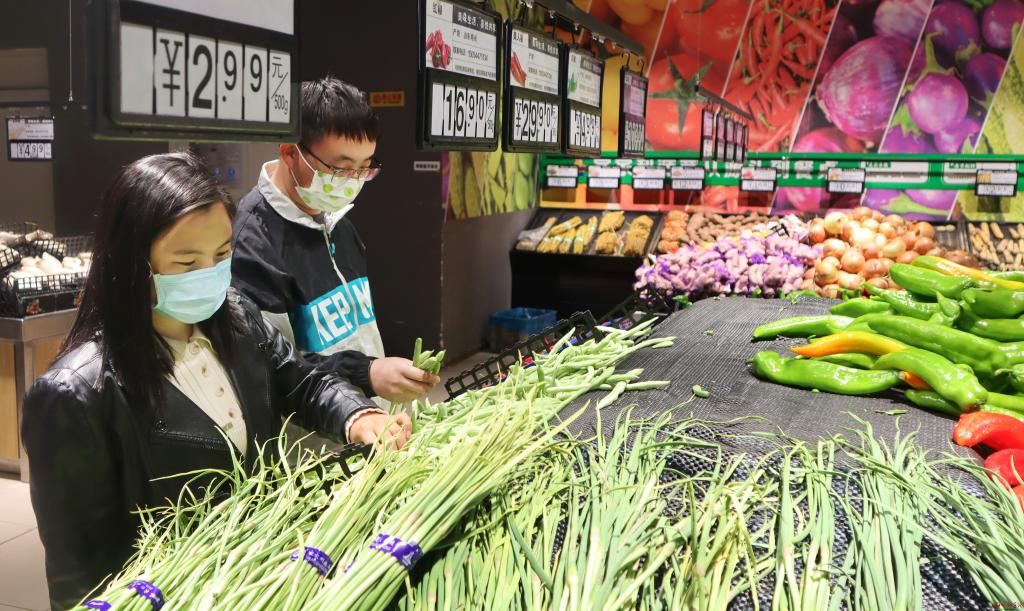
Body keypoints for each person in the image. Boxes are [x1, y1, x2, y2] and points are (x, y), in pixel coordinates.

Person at [21, 153, 412, 611]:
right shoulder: (75, 395)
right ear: (131, 264)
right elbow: (80, 578)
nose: (210, 274)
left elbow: (301, 380)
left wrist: (357, 416)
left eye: (222, 254)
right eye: (187, 262)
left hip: (262, 579)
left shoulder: (237, 316)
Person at [231, 76, 438, 408]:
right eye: (340, 169)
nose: (352, 182)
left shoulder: (335, 219)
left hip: (368, 418)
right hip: (310, 432)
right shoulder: (254, 242)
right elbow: (270, 364)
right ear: (290, 152)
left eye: (365, 168)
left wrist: (374, 378)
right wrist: (365, 373)